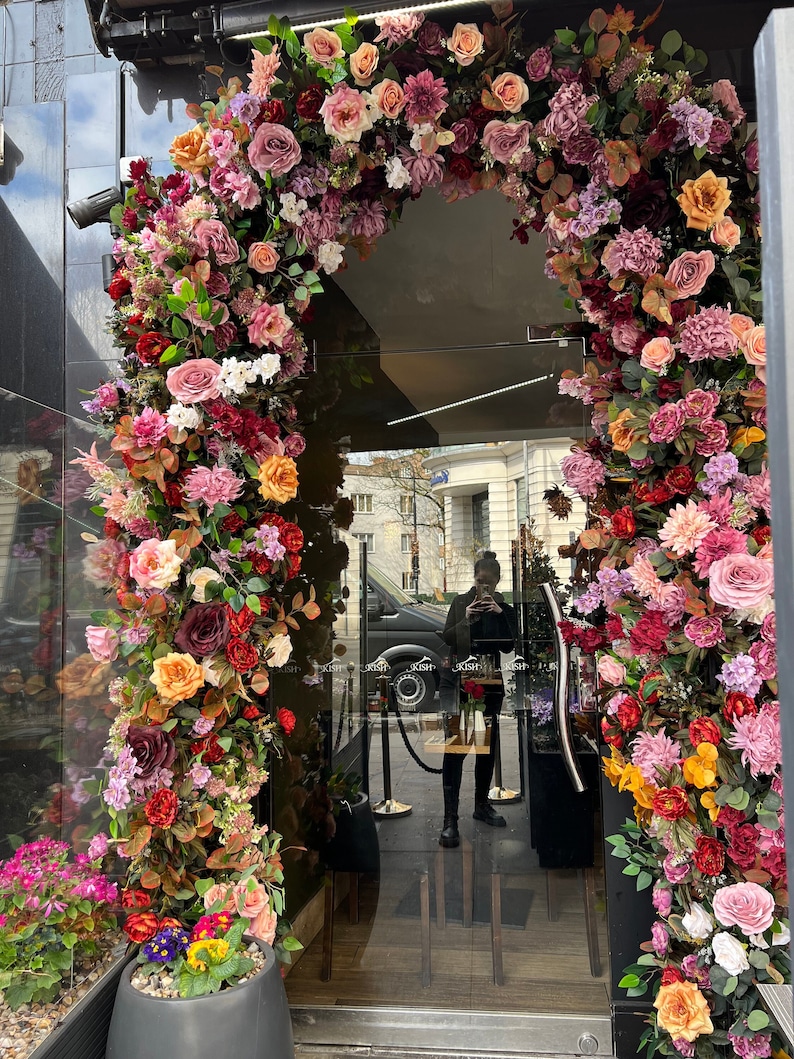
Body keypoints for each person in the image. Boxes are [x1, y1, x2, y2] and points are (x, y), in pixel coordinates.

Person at [438, 551, 517, 848]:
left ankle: (481, 804)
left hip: (490, 684)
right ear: (475, 579)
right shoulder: (461, 603)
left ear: (497, 583)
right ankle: (450, 819)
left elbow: (510, 645)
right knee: (456, 748)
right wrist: (467, 619)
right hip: (460, 682)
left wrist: (498, 613)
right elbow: (448, 638)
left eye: (490, 584)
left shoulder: (504, 609)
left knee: (486, 748)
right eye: (480, 582)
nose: (484, 589)